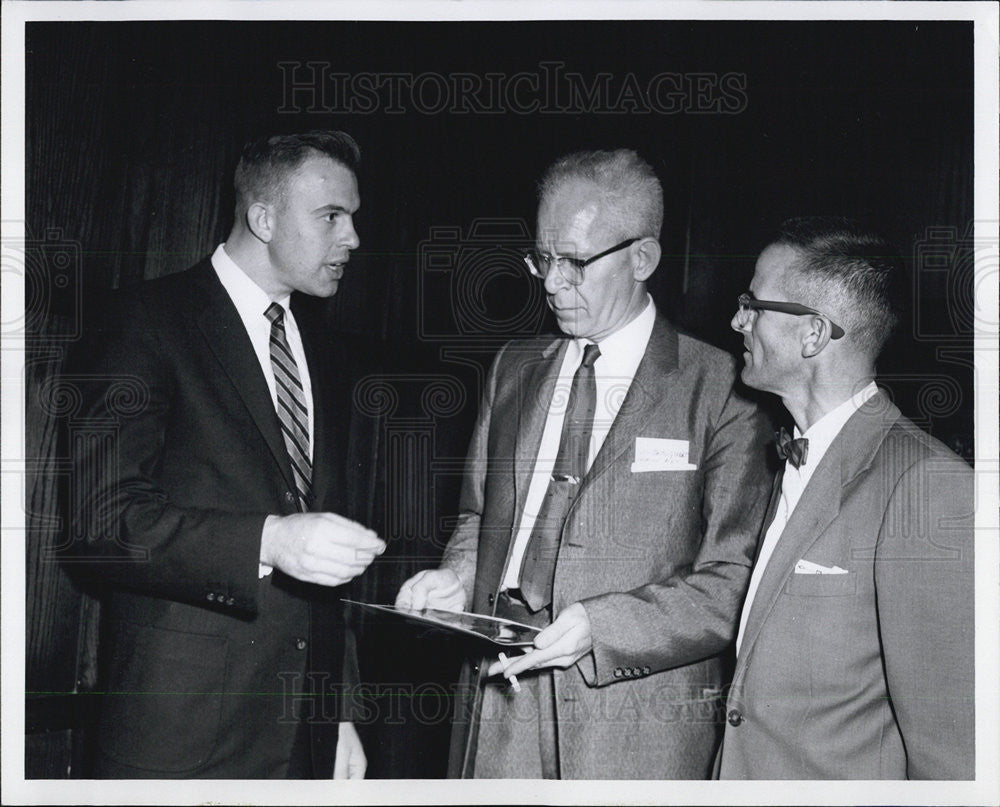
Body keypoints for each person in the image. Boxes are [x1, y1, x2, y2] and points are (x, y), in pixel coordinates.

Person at [395, 149, 774, 779]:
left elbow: (734, 584)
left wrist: (601, 626)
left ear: (642, 258)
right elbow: (478, 516)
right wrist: (458, 577)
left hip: (631, 727)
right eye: (543, 259)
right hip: (498, 704)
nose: (549, 282)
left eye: (573, 262)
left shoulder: (724, 390)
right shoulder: (513, 368)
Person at [69, 131, 385, 778]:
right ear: (263, 218)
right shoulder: (143, 322)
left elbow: (324, 551)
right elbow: (101, 527)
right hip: (179, 736)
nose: (352, 237)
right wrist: (267, 540)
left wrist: (340, 712)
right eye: (331, 216)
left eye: (352, 217)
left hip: (303, 733)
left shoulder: (325, 352)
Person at [717, 217, 975, 779]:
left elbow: (952, 755)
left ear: (813, 334)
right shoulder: (782, 454)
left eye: (754, 304)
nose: (738, 320)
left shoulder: (926, 485)